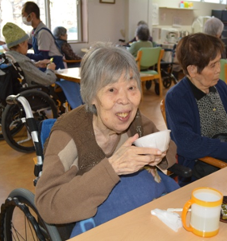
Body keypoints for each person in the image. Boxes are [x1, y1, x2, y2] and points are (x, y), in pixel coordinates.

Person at [34, 42, 179, 238]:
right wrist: (111, 169)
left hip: (137, 220)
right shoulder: (68, 135)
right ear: (92, 95)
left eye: (131, 87)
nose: (125, 100)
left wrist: (157, 156)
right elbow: (47, 204)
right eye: (112, 90)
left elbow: (170, 150)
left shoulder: (135, 121)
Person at [165, 33, 227, 186]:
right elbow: (187, 144)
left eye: (219, 62)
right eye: (212, 65)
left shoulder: (220, 86)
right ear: (193, 70)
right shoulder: (177, 97)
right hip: (203, 164)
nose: (218, 70)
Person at [2, 22, 56, 87]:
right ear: (21, 44)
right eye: (26, 43)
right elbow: (48, 80)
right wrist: (50, 69)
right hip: (31, 92)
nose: (27, 47)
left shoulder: (8, 56)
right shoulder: (22, 60)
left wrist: (36, 64)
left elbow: (20, 68)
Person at [21, 1, 65, 69]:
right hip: (44, 63)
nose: (23, 19)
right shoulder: (34, 31)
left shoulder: (43, 33)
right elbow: (26, 45)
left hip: (53, 64)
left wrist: (25, 55)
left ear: (32, 15)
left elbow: (43, 56)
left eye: (24, 16)